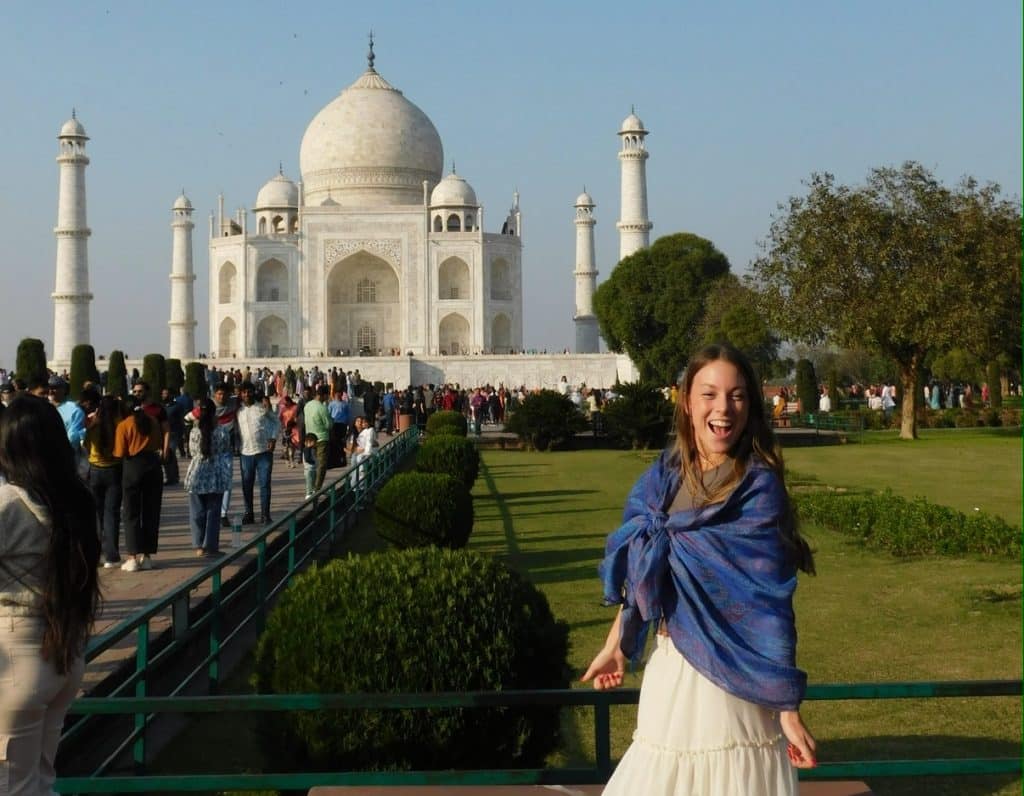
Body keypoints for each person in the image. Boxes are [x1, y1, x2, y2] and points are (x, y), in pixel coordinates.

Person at [582, 344, 817, 794]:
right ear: (687, 402)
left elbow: (768, 607)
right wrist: (617, 646)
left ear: (750, 406)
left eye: (737, 396)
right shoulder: (664, 479)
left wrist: (785, 706)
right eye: (709, 394)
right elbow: (642, 575)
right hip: (673, 673)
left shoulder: (757, 488)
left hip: (734, 685)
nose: (723, 409)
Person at [0, 394, 101, 794]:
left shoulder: (8, 504)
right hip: (63, 653)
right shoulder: (76, 501)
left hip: (15, 657)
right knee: (39, 783)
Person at [113, 381, 167, 572]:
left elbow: (119, 453)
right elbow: (160, 442)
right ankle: (147, 556)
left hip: (133, 466)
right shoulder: (152, 421)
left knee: (131, 513)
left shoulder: (124, 425)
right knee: (151, 512)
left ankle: (132, 557)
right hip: (153, 466)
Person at [184, 398, 233, 556]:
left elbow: (192, 452)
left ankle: (198, 546)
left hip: (196, 473)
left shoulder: (194, 431)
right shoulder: (221, 431)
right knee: (213, 511)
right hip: (215, 473)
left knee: (197, 511)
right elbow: (226, 448)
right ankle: (211, 546)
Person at [85, 394, 126, 567]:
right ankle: (112, 556)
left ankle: (95, 554)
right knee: (112, 514)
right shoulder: (119, 425)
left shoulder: (93, 425)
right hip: (114, 469)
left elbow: (86, 445)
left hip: (95, 469)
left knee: (96, 514)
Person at [236, 382, 280, 525]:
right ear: (240, 394)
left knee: (264, 484)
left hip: (263, 452)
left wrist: (273, 438)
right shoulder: (238, 410)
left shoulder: (262, 407)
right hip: (245, 452)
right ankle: (249, 513)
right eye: (244, 392)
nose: (246, 395)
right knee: (247, 484)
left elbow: (276, 422)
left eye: (249, 392)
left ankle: (265, 515)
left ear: (253, 392)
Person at [304, 384, 332, 491]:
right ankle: (317, 488)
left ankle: (310, 487)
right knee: (321, 465)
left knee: (311, 465)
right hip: (321, 438)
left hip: (309, 439)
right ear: (324, 395)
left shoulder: (307, 405)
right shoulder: (322, 408)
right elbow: (328, 425)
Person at [301, 432, 318, 499]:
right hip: (308, 469)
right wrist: (314, 462)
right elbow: (307, 458)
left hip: (313, 468)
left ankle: (313, 491)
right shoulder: (307, 449)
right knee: (309, 481)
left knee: (313, 480)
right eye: (315, 442)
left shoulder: (312, 449)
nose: (316, 443)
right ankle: (308, 493)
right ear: (309, 442)